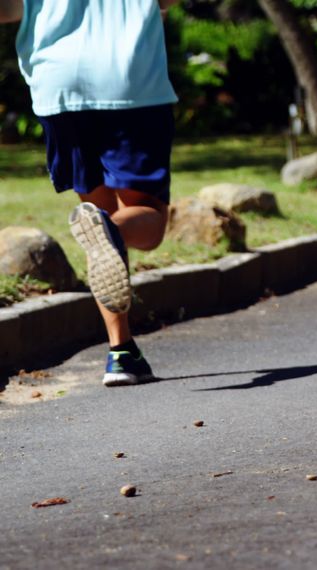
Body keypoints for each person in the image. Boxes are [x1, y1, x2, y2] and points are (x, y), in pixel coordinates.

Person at [3, 0, 181, 384]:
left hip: (57, 85)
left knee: (98, 222)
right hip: (130, 82)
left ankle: (122, 352)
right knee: (144, 225)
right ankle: (110, 234)